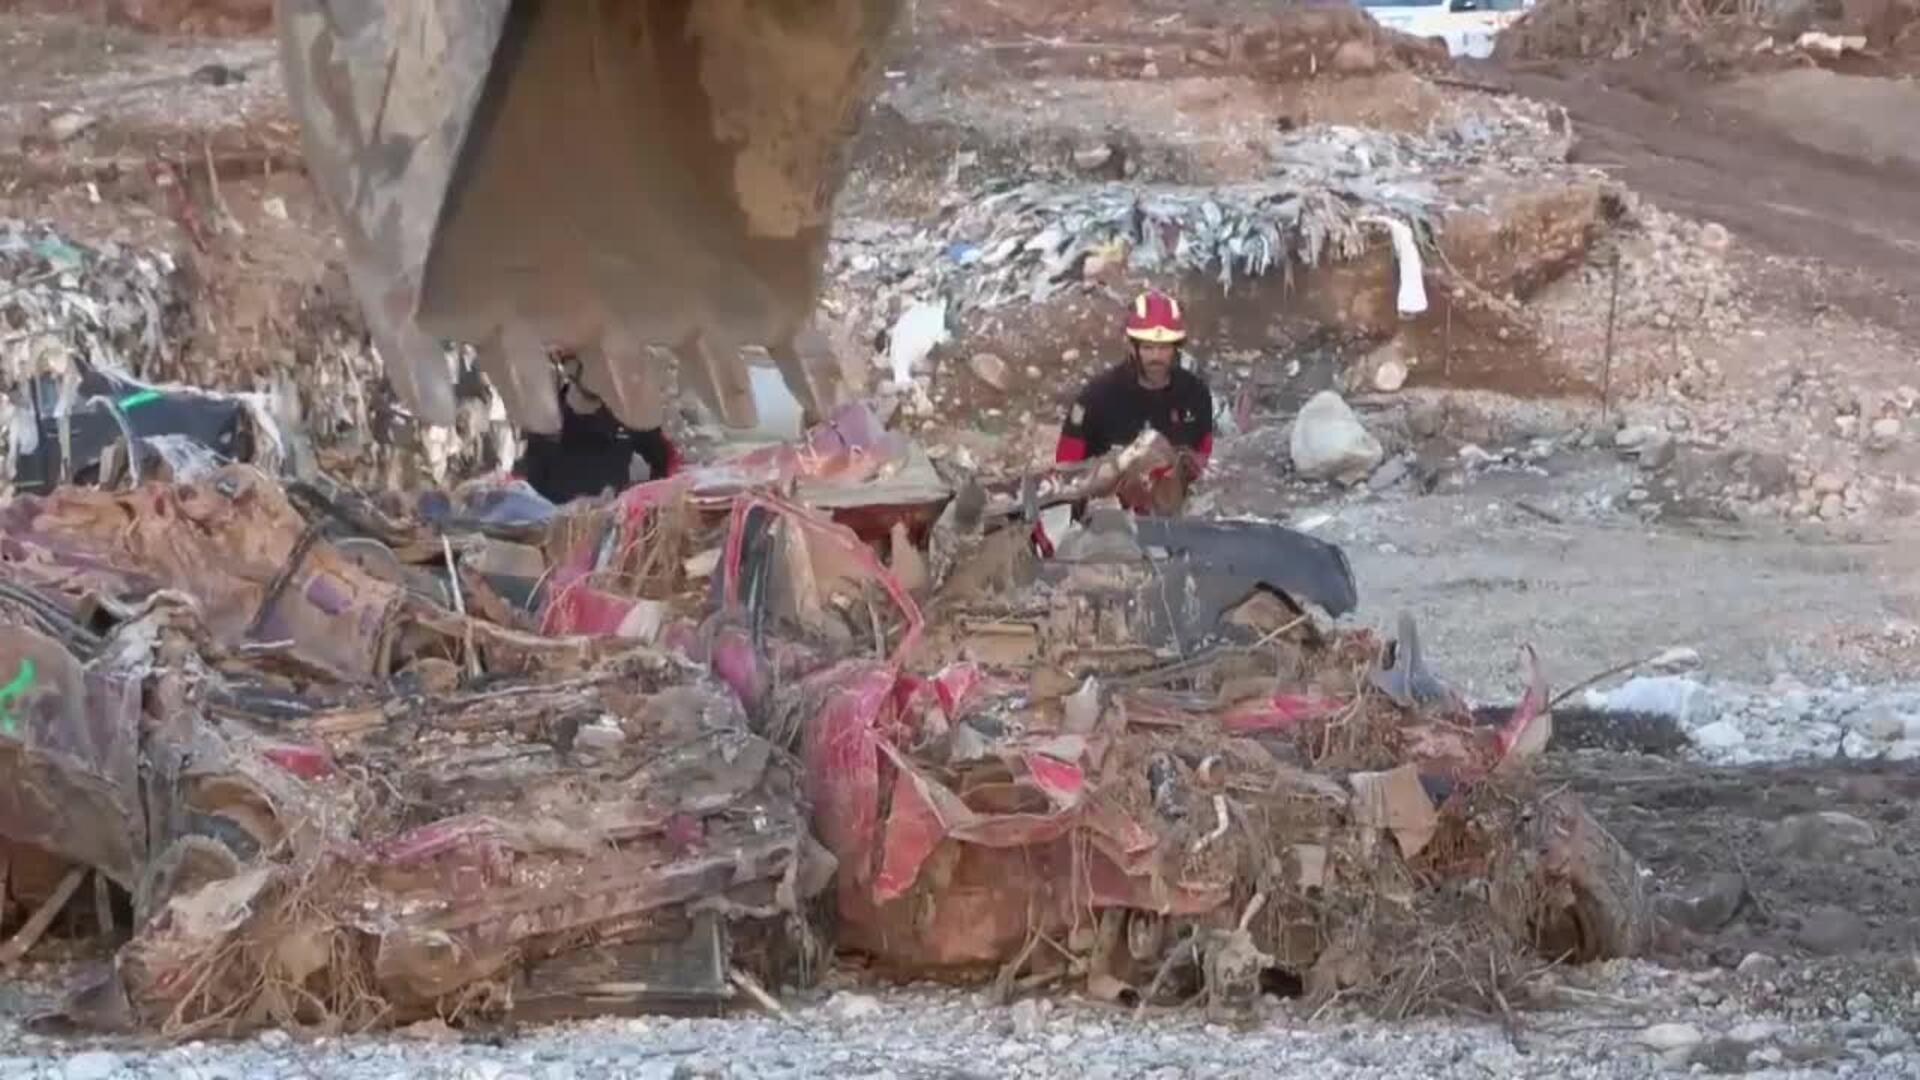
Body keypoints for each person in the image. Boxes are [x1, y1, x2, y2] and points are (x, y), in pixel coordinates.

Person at [1054, 289, 1213, 512]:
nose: (1156, 357)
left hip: (1172, 519)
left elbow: (1203, 462)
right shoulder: (1097, 398)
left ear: (1176, 348)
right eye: (1148, 348)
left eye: (1164, 348)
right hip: (1107, 519)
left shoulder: (1195, 395)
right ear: (1132, 347)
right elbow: (1065, 471)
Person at [513, 350, 683, 504]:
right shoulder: (544, 418)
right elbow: (525, 491)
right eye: (596, 365)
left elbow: (666, 464)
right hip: (553, 527)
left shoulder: (627, 415)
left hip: (610, 528)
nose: (607, 374)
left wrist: (644, 506)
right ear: (570, 368)